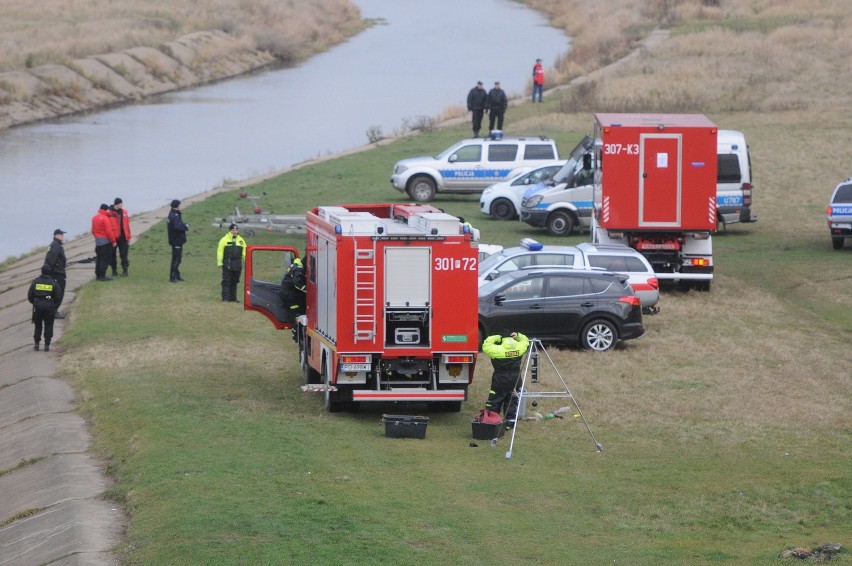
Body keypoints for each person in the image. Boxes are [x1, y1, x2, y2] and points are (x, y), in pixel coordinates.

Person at [481, 331, 530, 428]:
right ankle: (510, 424)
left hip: (499, 379)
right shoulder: (519, 348)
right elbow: (526, 341)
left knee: (495, 400)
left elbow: (486, 345)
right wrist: (518, 335)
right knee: (512, 400)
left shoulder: (497, 350)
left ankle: (492, 423)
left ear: (502, 339)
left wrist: (497, 337)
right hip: (515, 379)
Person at [28, 268, 64, 352]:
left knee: (38, 326)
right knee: (49, 325)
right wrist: (54, 306)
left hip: (38, 307)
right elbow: (58, 296)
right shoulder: (53, 282)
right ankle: (47, 345)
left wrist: (35, 302)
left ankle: (36, 344)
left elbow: (30, 296)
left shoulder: (35, 282)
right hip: (49, 307)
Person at [217, 223, 247, 302]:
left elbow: (244, 252)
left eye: (236, 230)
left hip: (237, 263)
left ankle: (233, 298)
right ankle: (226, 298)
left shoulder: (241, 240)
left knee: (235, 281)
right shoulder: (224, 239)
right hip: (228, 263)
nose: (234, 231)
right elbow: (220, 251)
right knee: (226, 281)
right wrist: (219, 263)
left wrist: (247, 260)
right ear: (230, 231)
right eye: (233, 230)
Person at [42, 228, 67, 319]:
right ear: (56, 235)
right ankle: (54, 312)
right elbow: (51, 260)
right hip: (56, 273)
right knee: (58, 293)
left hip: (57, 272)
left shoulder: (55, 245)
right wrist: (53, 271)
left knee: (56, 293)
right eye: (61, 234)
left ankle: (53, 311)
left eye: (62, 234)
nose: (62, 236)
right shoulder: (55, 246)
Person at [91, 203, 117, 281]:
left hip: (98, 241)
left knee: (99, 259)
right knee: (105, 259)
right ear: (106, 209)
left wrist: (97, 237)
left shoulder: (94, 218)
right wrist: (113, 241)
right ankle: (102, 276)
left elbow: (93, 230)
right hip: (105, 242)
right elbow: (109, 231)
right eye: (108, 209)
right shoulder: (105, 218)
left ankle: (98, 275)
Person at [109, 197, 132, 276]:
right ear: (116, 204)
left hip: (123, 237)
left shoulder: (124, 212)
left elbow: (127, 225)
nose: (122, 205)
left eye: (122, 203)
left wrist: (128, 236)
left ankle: (125, 270)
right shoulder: (109, 213)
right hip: (113, 237)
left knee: (124, 254)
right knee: (112, 255)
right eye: (120, 203)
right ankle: (114, 271)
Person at [167, 199, 189, 282]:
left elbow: (179, 223)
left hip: (175, 240)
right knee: (177, 259)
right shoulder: (175, 216)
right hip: (176, 240)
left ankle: (176, 275)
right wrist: (186, 227)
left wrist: (184, 225)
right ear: (177, 206)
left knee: (177, 258)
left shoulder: (173, 214)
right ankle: (173, 276)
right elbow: (177, 227)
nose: (180, 206)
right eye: (179, 205)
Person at [279, 256, 306, 321]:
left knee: (296, 313)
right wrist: (308, 290)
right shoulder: (299, 269)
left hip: (287, 293)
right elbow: (297, 283)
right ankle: (296, 327)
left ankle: (296, 327)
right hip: (290, 295)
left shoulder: (294, 265)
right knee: (297, 314)